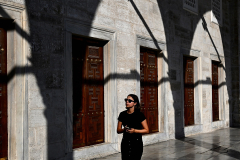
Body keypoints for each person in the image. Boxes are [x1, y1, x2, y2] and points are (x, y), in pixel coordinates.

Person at [117, 94, 149, 160]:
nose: (127, 102)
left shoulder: (140, 115)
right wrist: (124, 129)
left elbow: (146, 130)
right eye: (126, 100)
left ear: (135, 103)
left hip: (136, 143)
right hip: (125, 143)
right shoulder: (122, 114)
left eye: (129, 101)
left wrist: (134, 131)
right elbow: (118, 130)